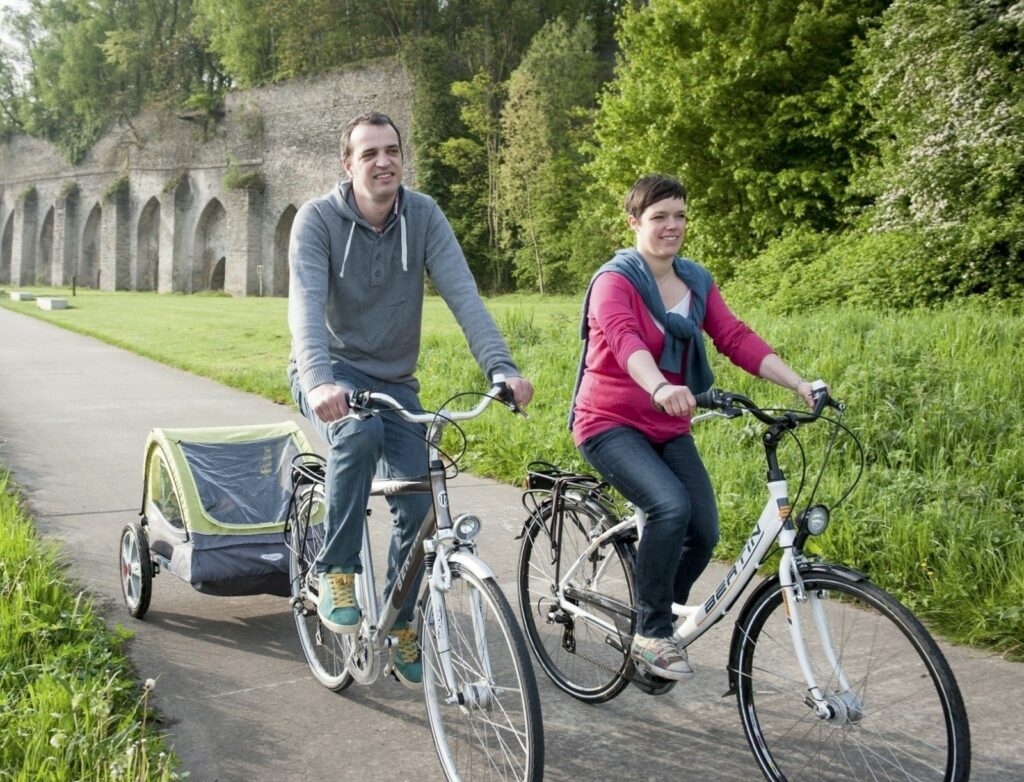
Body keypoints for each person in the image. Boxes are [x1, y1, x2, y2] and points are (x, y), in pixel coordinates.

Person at [287, 111, 534, 688]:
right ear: (348, 165)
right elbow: (304, 308)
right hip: (328, 371)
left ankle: (400, 624)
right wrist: (321, 380)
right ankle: (338, 570)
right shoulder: (318, 220)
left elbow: (464, 297)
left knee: (422, 498)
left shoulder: (423, 216)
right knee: (358, 433)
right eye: (369, 153)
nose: (383, 161)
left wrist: (502, 367)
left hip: (395, 380)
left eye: (392, 150)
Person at [569, 173, 822, 681]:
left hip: (668, 427)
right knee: (669, 506)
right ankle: (652, 632)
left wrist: (798, 384)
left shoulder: (696, 281)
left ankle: (659, 627)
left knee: (703, 533)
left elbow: (735, 337)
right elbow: (625, 342)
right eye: (660, 217)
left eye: (679, 216)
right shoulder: (615, 281)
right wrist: (660, 386)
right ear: (634, 222)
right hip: (608, 422)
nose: (672, 226)